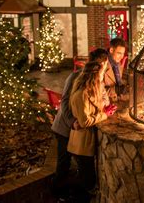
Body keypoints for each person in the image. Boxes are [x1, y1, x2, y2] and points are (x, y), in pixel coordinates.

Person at [51, 48, 109, 199]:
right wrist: (72, 122)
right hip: (65, 126)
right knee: (64, 163)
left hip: (80, 128)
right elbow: (64, 102)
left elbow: (104, 98)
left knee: (81, 163)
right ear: (100, 64)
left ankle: (76, 189)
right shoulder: (76, 76)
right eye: (105, 65)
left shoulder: (98, 79)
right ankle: (56, 192)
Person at [67, 61, 117, 201]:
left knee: (88, 175)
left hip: (86, 142)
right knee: (87, 179)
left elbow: (95, 109)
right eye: (102, 73)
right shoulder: (81, 94)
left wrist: (106, 109)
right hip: (80, 145)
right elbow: (85, 121)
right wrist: (105, 114)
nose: (103, 77)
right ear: (94, 75)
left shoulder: (90, 91)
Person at [105, 37, 128, 102]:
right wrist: (115, 90)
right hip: (105, 105)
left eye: (123, 54)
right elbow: (95, 90)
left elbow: (118, 82)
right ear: (111, 50)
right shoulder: (102, 66)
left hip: (116, 102)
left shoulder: (118, 65)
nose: (122, 57)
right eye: (119, 53)